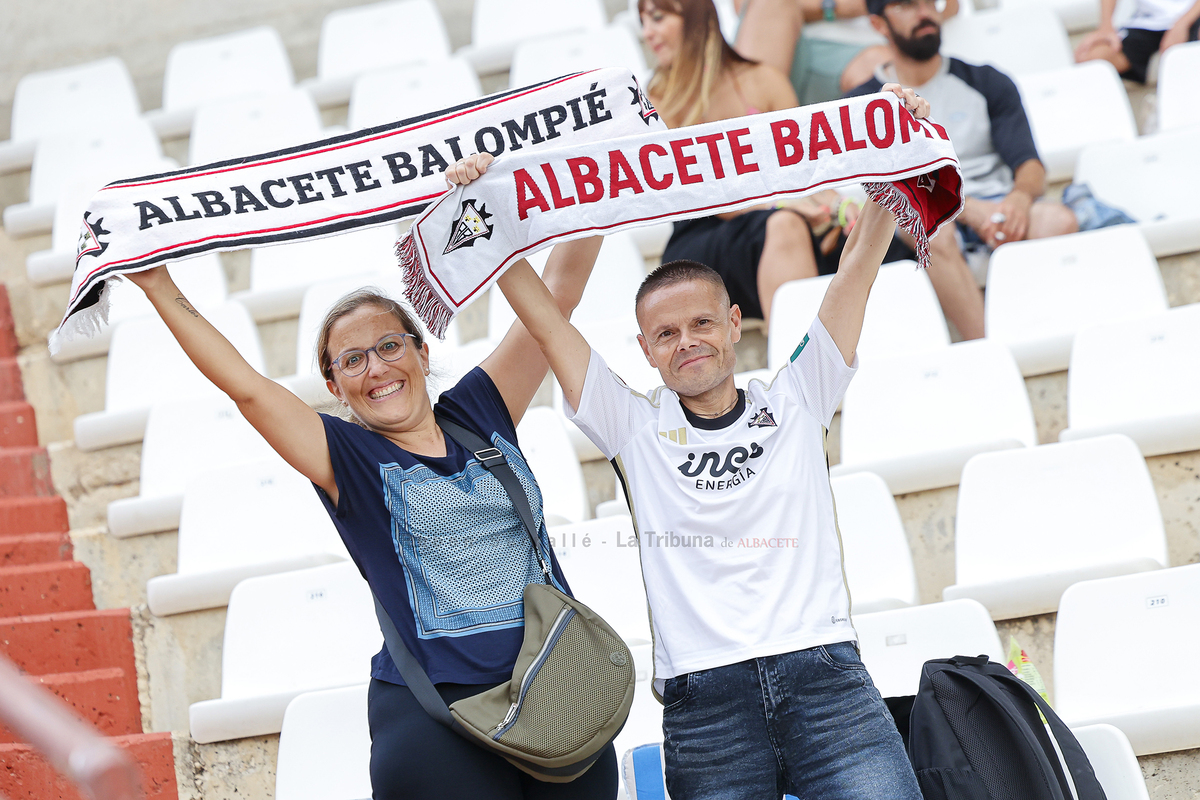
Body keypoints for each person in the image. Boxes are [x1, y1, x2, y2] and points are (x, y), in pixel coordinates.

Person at [453, 83, 931, 800]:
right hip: (708, 710)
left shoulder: (798, 397)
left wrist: (895, 142)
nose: (688, 344)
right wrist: (483, 213)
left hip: (827, 682)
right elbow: (545, 320)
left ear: (735, 323)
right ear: (645, 350)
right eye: (667, 334)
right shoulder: (632, 424)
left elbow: (860, 262)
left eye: (702, 324)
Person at [125, 238, 616, 799]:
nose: (376, 368)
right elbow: (249, 390)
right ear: (334, 386)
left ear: (421, 354)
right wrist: (161, 287)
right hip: (440, 719)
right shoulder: (348, 457)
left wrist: (578, 164)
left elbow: (557, 295)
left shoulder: (483, 408)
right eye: (352, 360)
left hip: (559, 689)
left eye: (389, 346)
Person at [846, 0, 1080, 340]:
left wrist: (1019, 198)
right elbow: (879, 193)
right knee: (931, 231)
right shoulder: (863, 104)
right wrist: (968, 211)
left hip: (996, 202)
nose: (924, 12)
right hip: (919, 220)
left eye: (930, 2)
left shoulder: (985, 80)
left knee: (1059, 220)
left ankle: (1043, 331)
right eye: (908, 5)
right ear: (879, 25)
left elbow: (1030, 164)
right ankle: (988, 348)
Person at [643, 0, 868, 324]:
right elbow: (713, 197)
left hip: (781, 212)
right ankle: (803, 364)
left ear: (696, 17)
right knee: (786, 225)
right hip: (706, 233)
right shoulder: (660, 97)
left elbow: (804, 170)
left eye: (657, 18)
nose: (648, 33)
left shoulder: (765, 80)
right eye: (643, 22)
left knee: (866, 231)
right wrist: (783, 206)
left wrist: (838, 207)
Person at [733, 0, 960, 105]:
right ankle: (746, 141)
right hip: (786, 41)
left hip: (868, 49)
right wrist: (835, 6)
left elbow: (949, 6)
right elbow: (744, 5)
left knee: (883, 70)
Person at [1075, 0, 1200, 83]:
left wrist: (1182, 24)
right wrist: (1105, 26)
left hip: (1194, 15)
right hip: (1147, 22)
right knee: (1089, 58)